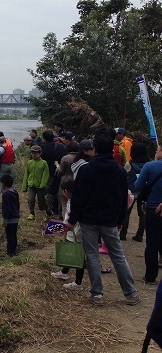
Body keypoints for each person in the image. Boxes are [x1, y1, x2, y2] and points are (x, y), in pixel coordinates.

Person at [67, 127, 140, 306]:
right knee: (118, 255)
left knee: (92, 255)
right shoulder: (120, 171)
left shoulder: (86, 170)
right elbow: (123, 198)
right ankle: (131, 294)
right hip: (110, 220)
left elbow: (78, 198)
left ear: (96, 150)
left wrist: (72, 220)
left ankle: (97, 294)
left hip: (88, 220)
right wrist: (120, 220)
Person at [51, 177, 86, 290]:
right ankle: (64, 272)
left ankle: (78, 283)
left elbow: (71, 219)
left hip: (76, 232)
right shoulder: (75, 199)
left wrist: (54, 229)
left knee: (78, 256)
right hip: (73, 231)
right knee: (70, 252)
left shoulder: (75, 201)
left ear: (65, 191)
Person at [134, 144, 162, 285]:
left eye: (157, 150)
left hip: (153, 209)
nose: (156, 152)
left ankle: (150, 277)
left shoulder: (150, 166)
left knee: (152, 243)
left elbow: (138, 186)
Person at [120, 142, 149, 242]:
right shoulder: (148, 165)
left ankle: (123, 233)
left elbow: (124, 175)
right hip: (143, 192)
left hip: (130, 192)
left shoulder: (129, 164)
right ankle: (140, 235)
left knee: (126, 212)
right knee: (142, 214)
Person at [40, 130, 66, 216]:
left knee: (49, 191)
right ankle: (59, 211)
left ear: (44, 138)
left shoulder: (42, 147)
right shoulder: (61, 146)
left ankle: (48, 210)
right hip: (60, 172)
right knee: (60, 192)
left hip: (48, 173)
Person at [22, 145, 49, 220]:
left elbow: (46, 175)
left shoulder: (44, 163)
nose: (33, 154)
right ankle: (32, 213)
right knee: (31, 199)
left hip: (40, 186)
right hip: (31, 185)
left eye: (35, 153)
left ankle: (48, 212)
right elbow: (26, 174)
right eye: (32, 153)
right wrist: (24, 186)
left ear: (40, 153)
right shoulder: (29, 162)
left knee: (42, 201)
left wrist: (42, 184)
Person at [0, 173, 20, 256]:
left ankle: (10, 252)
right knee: (13, 235)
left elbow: (6, 209)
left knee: (9, 236)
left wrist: (4, 220)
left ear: (3, 184)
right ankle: (14, 250)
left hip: (10, 219)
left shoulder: (5, 194)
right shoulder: (15, 192)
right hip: (15, 217)